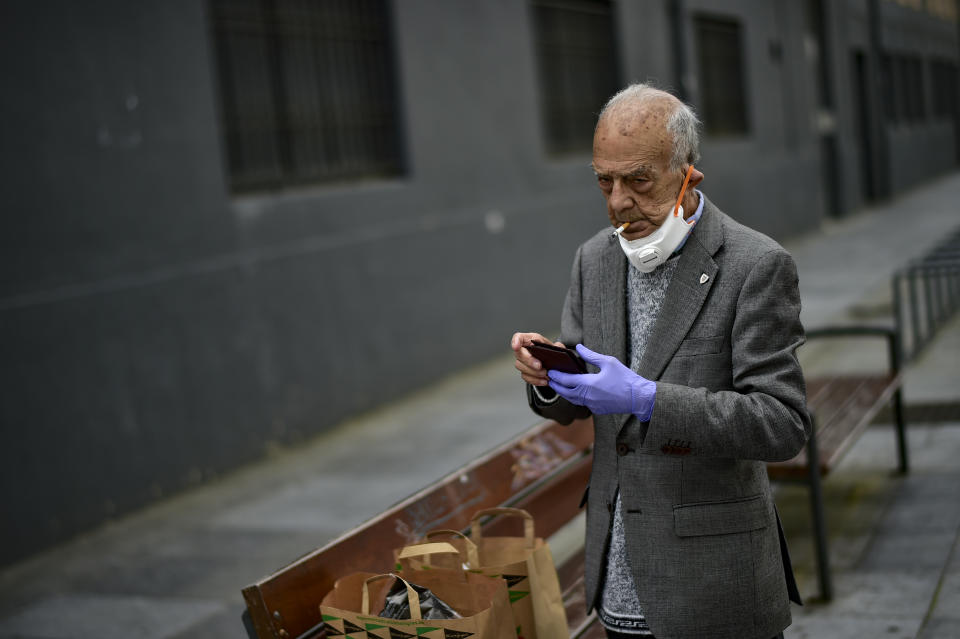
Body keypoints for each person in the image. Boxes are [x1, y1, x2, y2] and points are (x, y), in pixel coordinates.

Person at [510, 83, 810, 639]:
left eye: (639, 180)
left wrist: (647, 400)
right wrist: (548, 380)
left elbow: (782, 424)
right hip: (615, 581)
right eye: (605, 180)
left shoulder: (756, 264)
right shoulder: (595, 258)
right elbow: (581, 396)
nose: (618, 202)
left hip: (714, 588)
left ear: (687, 172)